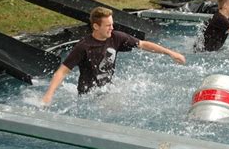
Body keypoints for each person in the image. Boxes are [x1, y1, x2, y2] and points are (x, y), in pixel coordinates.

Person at [42, 7, 186, 104]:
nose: (112, 27)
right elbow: (62, 72)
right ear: (96, 26)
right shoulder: (83, 46)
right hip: (87, 98)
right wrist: (48, 95)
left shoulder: (116, 37)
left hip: (106, 91)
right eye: (108, 25)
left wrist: (170, 53)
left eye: (112, 24)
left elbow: (143, 44)